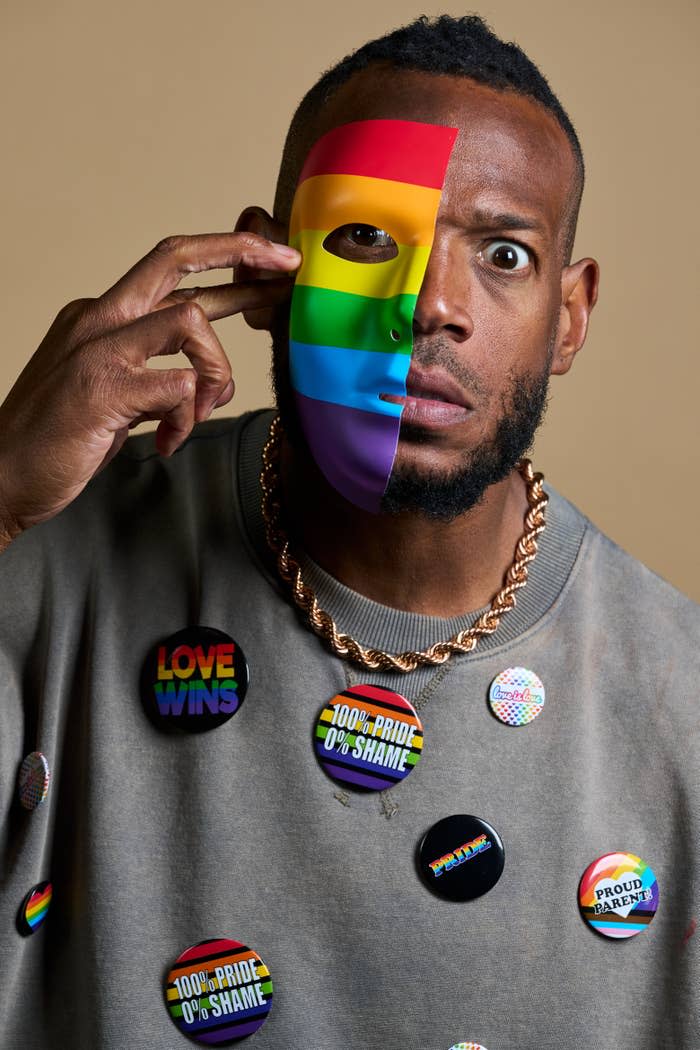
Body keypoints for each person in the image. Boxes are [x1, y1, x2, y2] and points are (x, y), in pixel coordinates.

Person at [0, 13, 697, 1050]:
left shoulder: (677, 701)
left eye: (503, 253)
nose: (426, 306)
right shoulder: (46, 553)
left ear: (569, 315)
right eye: (365, 240)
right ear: (272, 271)